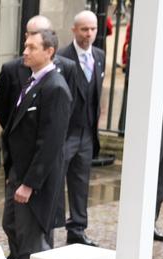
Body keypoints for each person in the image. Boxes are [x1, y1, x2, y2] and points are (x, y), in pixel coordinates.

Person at [0, 28, 72, 259]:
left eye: (32, 47)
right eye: (25, 46)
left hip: (35, 183)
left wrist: (29, 184)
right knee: (11, 227)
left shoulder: (56, 88)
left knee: (32, 242)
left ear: (49, 51)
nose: (25, 52)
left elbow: (50, 143)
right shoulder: (33, 81)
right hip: (17, 172)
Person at [56, 10, 106, 247]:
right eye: (84, 29)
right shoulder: (62, 58)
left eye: (93, 29)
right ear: (74, 30)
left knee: (80, 183)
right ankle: (48, 227)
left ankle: (77, 228)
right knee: (55, 181)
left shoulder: (99, 56)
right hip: (66, 133)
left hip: (87, 134)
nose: (89, 34)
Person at [0, 16, 79, 131]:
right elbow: (2, 108)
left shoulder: (67, 68)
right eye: (34, 34)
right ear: (26, 36)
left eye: (46, 33)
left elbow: (68, 108)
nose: (40, 37)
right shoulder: (10, 69)